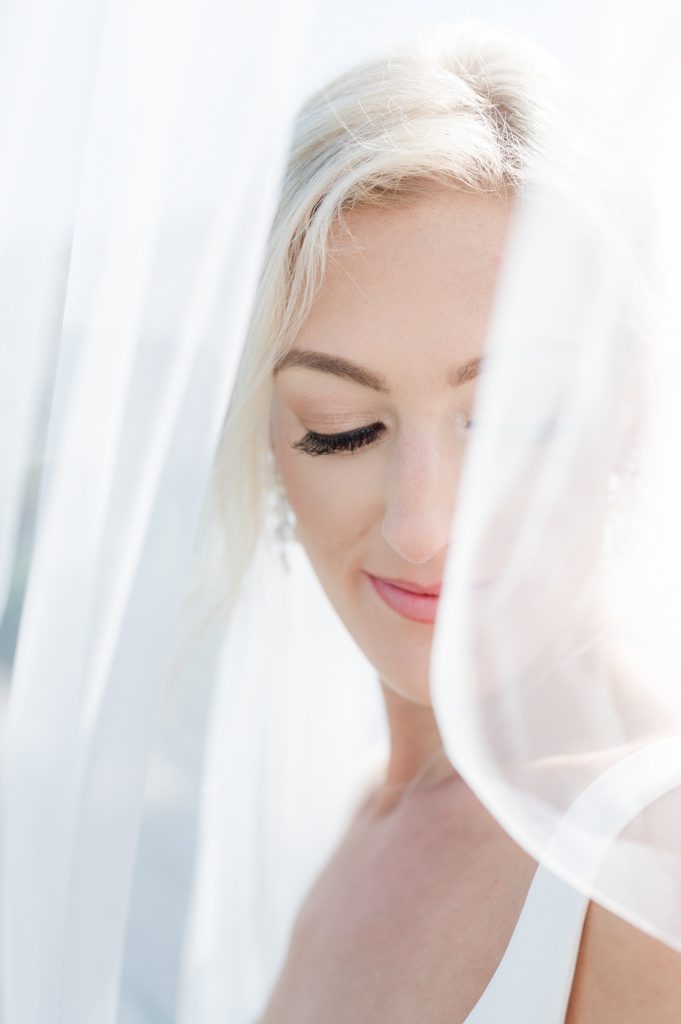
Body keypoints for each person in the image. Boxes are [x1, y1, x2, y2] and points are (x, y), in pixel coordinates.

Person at [212, 21, 681, 1023]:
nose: (420, 526)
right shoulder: (361, 820)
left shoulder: (651, 866)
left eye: (507, 421)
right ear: (266, 431)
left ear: (628, 410)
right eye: (342, 429)